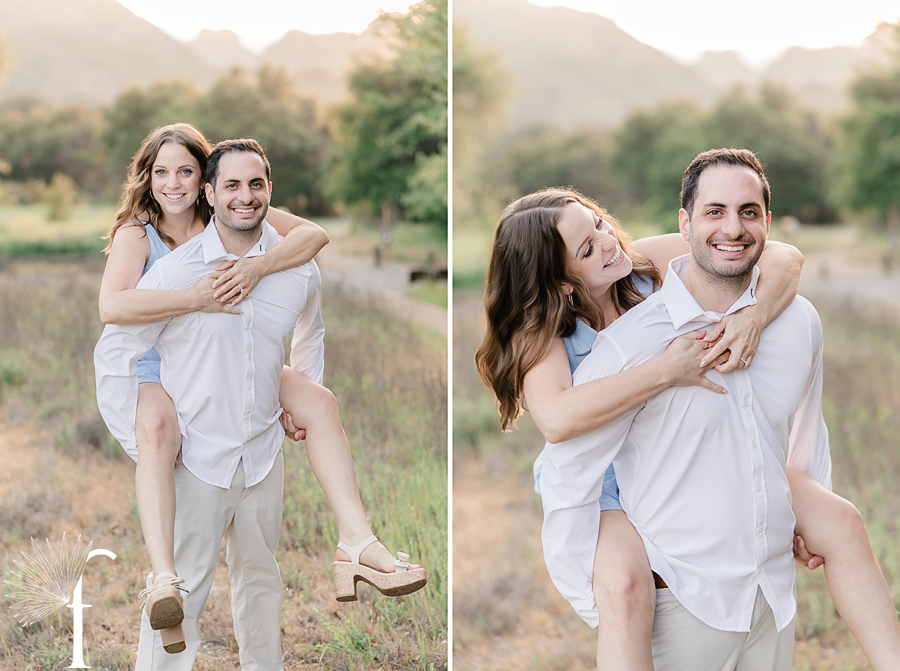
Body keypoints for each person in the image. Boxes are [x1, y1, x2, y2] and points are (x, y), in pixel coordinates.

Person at [476, 161, 900, 666]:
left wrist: (753, 316)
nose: (609, 242)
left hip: (693, 442)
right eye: (588, 249)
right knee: (626, 588)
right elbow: (558, 421)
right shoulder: (542, 329)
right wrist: (665, 369)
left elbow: (781, 255)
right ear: (561, 282)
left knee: (841, 522)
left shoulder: (637, 262)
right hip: (605, 476)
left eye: (599, 224)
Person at [96, 138, 425, 669]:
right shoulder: (171, 263)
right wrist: (136, 431)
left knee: (262, 577)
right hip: (193, 435)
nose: (245, 195)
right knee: (183, 596)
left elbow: (311, 322)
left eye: (256, 185)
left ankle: (357, 543)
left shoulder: (292, 266)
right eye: (231, 185)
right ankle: (162, 579)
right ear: (211, 192)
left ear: (270, 190)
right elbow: (115, 329)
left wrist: (293, 403)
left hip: (259, 446)